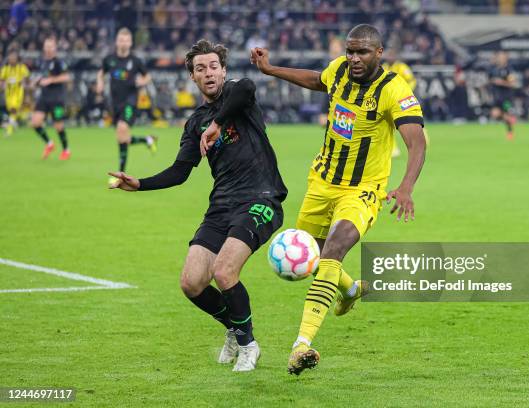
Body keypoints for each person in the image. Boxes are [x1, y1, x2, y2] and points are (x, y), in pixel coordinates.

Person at [250, 24, 426, 375]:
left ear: (379, 53)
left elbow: (416, 142)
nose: (354, 58)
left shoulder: (393, 89)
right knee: (314, 261)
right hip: (322, 182)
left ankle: (301, 345)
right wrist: (271, 69)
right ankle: (348, 290)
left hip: (363, 189)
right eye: (350, 51)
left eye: (362, 52)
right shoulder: (340, 71)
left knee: (333, 250)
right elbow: (318, 80)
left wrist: (405, 187)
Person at [108, 39, 287, 372]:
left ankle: (249, 345)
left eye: (214, 66)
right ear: (192, 76)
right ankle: (234, 328)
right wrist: (140, 183)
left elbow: (246, 87)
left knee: (224, 271)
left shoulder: (238, 97)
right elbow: (180, 172)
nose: (209, 73)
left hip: (261, 198)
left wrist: (219, 123)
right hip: (221, 206)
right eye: (201, 68)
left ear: (223, 70)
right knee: (191, 282)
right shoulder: (195, 123)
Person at [97, 27, 158, 186]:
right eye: (121, 39)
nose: (123, 42)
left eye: (126, 40)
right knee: (122, 138)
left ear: (130, 42)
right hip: (115, 103)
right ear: (117, 41)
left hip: (131, 101)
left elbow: (147, 76)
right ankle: (148, 140)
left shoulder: (136, 61)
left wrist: (142, 81)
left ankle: (121, 176)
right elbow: (101, 73)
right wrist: (99, 83)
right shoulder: (109, 59)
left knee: (122, 128)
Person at [31, 37, 71, 160]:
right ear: (44, 48)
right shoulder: (42, 62)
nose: (48, 49)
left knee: (58, 126)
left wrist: (51, 80)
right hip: (44, 98)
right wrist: (36, 81)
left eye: (51, 46)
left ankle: (66, 150)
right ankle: (49, 143)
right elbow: (43, 77)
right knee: (35, 123)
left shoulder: (59, 62)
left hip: (57, 99)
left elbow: (66, 77)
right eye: (47, 46)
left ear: (55, 48)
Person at [383, 48, 418, 157]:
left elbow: (412, 80)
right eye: (388, 55)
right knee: (388, 124)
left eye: (391, 55)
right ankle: (393, 149)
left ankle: (421, 139)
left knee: (408, 122)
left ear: (395, 57)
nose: (389, 57)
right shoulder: (383, 67)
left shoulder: (402, 67)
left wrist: (407, 93)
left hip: (403, 100)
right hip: (389, 100)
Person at [488, 51, 517, 140]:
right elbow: (490, 80)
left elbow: (513, 84)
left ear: (506, 58)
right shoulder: (494, 70)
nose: (500, 59)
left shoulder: (509, 70)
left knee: (506, 115)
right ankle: (510, 118)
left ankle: (510, 133)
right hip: (497, 97)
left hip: (506, 97)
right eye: (499, 57)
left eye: (502, 57)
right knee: (494, 114)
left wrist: (501, 82)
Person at [0, 50, 29, 136]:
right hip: (8, 93)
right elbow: (1, 79)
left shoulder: (21, 67)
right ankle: (15, 122)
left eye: (13, 58)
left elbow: (27, 76)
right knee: (12, 111)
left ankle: (9, 129)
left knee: (13, 109)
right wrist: (2, 85)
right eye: (10, 58)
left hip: (18, 92)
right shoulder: (5, 69)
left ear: (16, 59)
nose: (12, 60)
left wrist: (23, 81)